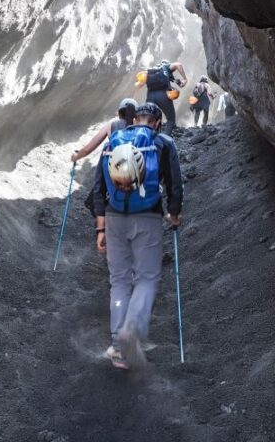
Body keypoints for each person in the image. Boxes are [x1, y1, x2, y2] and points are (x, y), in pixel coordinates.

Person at [93, 102, 183, 370]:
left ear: (134, 119)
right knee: (146, 277)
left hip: (113, 217)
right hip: (148, 217)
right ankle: (130, 331)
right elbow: (175, 184)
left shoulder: (114, 143)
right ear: (156, 122)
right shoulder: (163, 142)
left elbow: (98, 187)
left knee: (119, 280)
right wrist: (174, 214)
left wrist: (100, 228)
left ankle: (118, 346)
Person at [71, 98, 137, 163]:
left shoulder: (111, 124)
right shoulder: (140, 127)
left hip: (115, 166)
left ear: (119, 113)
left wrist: (76, 156)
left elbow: (87, 149)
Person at [135, 60, 188, 135]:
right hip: (163, 96)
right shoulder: (166, 67)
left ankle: (145, 137)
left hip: (150, 96)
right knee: (171, 119)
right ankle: (164, 140)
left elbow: (138, 85)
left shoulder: (150, 71)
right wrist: (185, 79)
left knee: (149, 118)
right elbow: (178, 64)